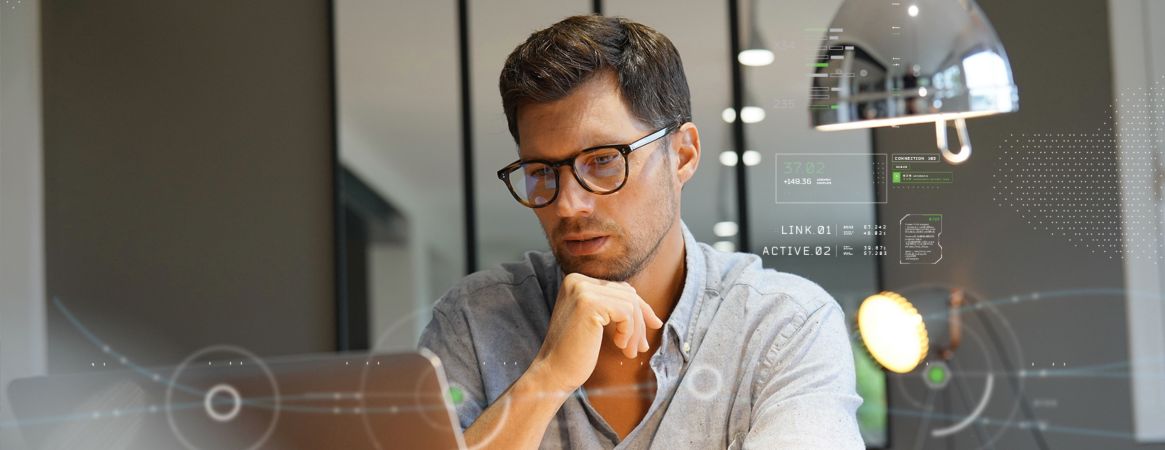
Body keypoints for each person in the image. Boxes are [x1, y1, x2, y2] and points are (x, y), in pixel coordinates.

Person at [419, 14, 863, 449]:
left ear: (683, 155)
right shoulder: (475, 320)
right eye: (541, 171)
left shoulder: (783, 324)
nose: (568, 204)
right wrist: (547, 377)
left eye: (603, 160)